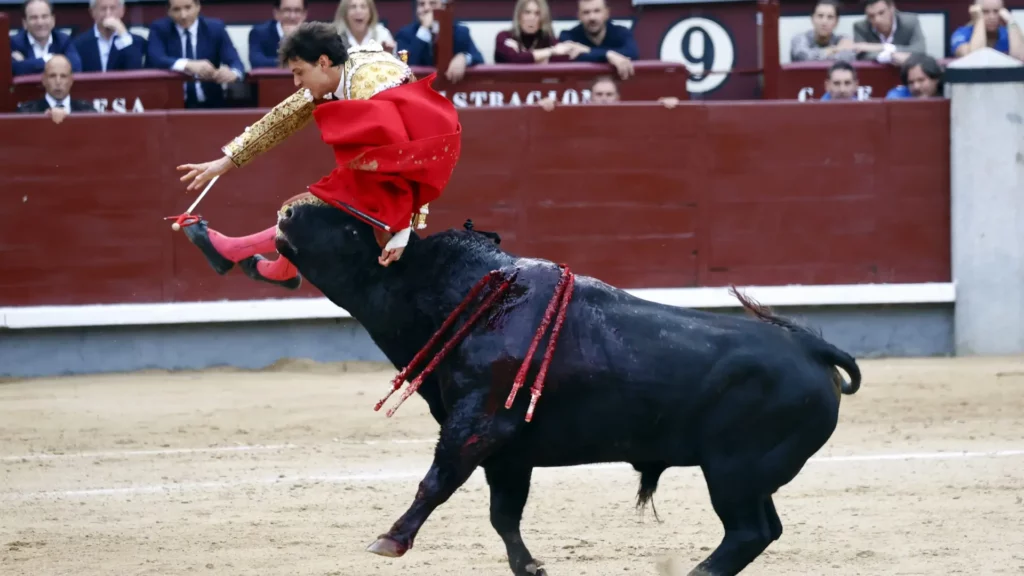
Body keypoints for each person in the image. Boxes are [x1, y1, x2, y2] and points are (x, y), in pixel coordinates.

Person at [176, 22, 462, 289]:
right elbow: (282, 118)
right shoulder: (336, 73)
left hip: (422, 157)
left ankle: (235, 251)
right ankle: (277, 267)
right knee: (305, 207)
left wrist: (402, 230)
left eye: (299, 72)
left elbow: (410, 156)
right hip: (397, 158)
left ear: (323, 62)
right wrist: (225, 162)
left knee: (308, 210)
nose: (297, 82)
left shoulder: (368, 86)